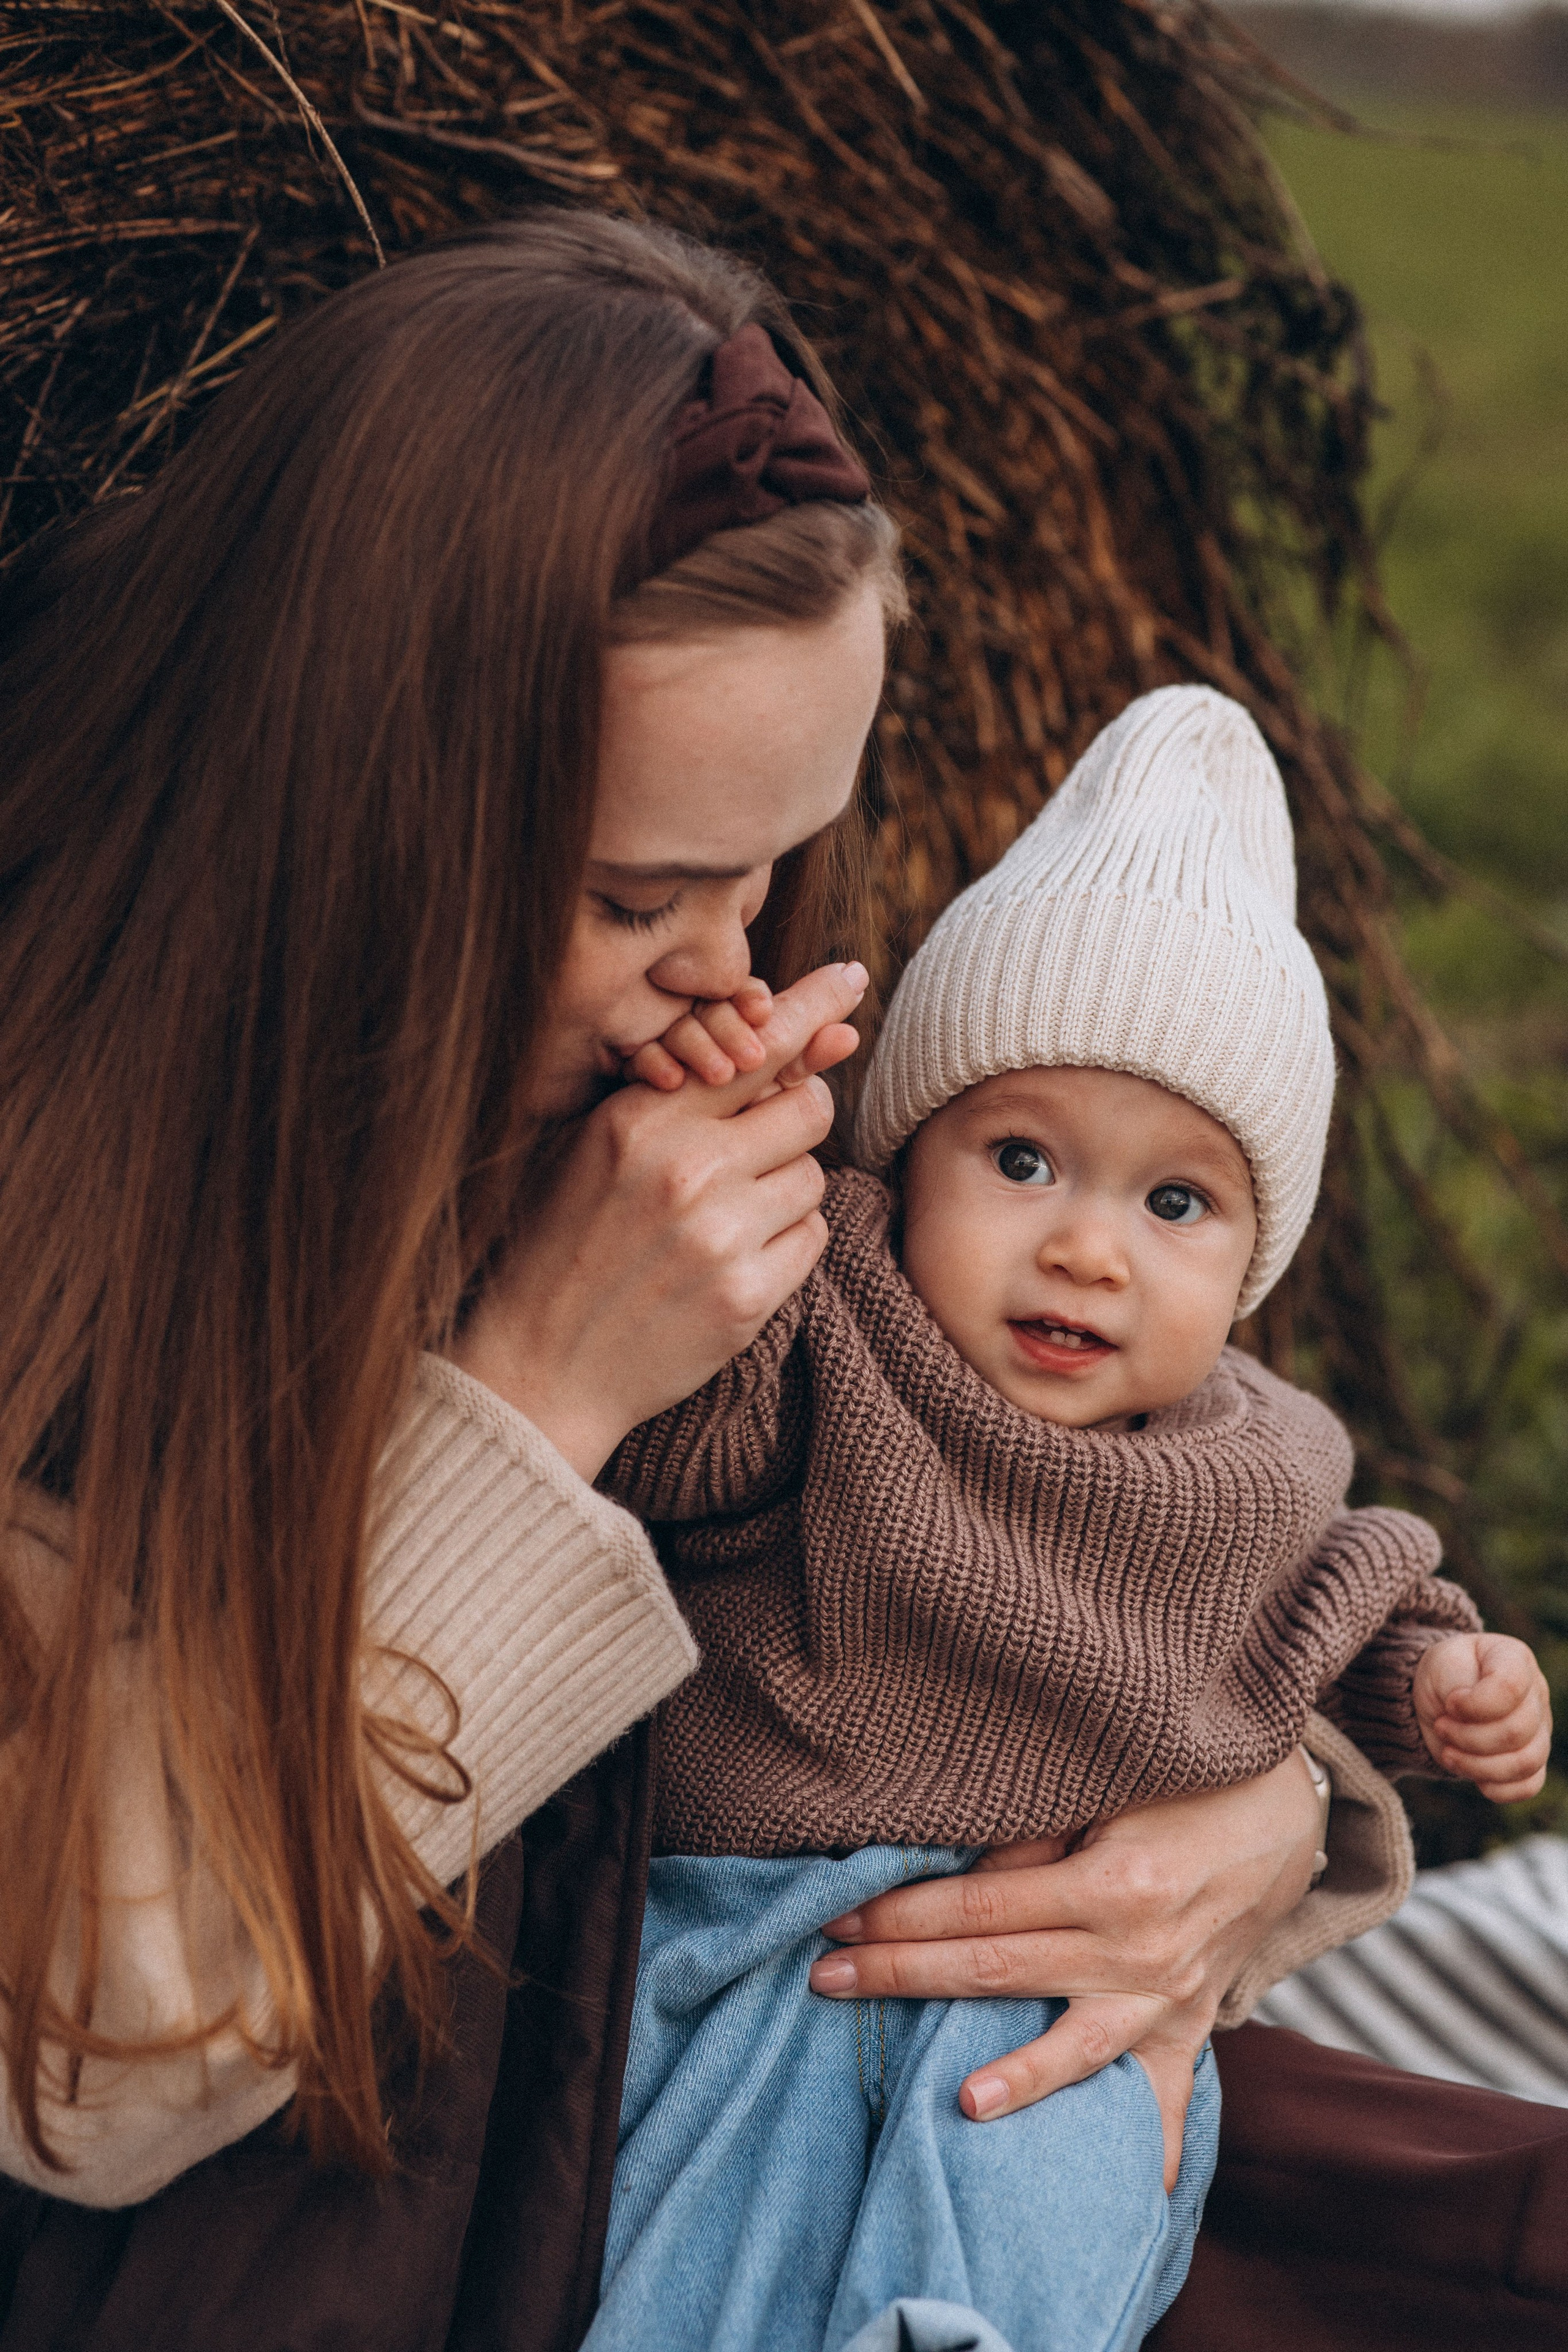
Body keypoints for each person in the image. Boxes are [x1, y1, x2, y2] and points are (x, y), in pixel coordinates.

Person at [0, 209, 1474, 2350]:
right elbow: (91, 2066)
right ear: (368, 808)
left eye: (776, 863)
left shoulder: (665, 1079)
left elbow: (988, 1519)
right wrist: (537, 1398)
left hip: (681, 2104)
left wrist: (1251, 1817)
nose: (735, 967)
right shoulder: (83, 1197)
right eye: (631, 893)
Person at [588, 686, 1552, 2352]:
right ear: (902, 1160)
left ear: (1250, 1267)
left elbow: (1353, 1611)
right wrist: (720, 1147)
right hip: (756, 1948)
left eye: (1175, 1203)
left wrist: (1449, 1684)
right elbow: (665, 1443)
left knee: (1066, 2157)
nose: (1089, 1249)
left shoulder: (1263, 1460)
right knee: (704, 2242)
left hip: (1073, 1984)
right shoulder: (835, 1329)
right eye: (1022, 1160)